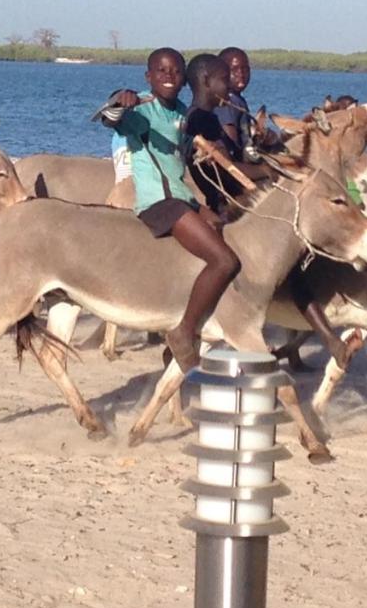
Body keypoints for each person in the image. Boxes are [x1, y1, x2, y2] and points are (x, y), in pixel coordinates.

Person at [99, 48, 240, 371]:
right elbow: (108, 119)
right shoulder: (142, 111)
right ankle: (183, 331)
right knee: (224, 260)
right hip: (159, 204)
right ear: (148, 77)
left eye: (175, 71)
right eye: (161, 71)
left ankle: (188, 326)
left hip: (183, 199)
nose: (169, 77)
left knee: (223, 225)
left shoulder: (179, 111)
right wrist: (119, 102)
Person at [183, 54, 265, 218]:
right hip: (226, 205)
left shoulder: (211, 117)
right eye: (224, 79)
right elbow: (229, 169)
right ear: (206, 82)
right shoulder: (199, 120)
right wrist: (267, 170)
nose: (229, 85)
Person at [215, 47, 253, 156]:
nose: (241, 74)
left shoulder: (238, 100)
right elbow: (230, 143)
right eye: (234, 69)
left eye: (245, 69)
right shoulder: (227, 101)